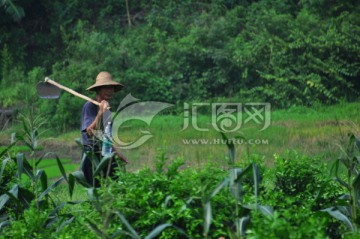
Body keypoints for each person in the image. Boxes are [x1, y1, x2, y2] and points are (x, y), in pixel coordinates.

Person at [80, 71, 128, 187]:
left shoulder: (108, 112)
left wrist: (118, 153)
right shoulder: (90, 106)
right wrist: (100, 113)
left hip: (105, 152)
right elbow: (90, 132)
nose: (110, 90)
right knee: (95, 188)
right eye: (106, 88)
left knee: (115, 184)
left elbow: (104, 137)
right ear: (99, 90)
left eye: (111, 88)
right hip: (92, 154)